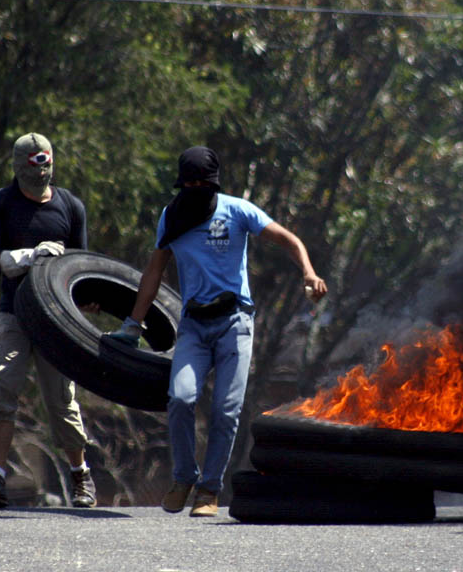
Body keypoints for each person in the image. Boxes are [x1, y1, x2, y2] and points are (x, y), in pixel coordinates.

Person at [109, 145, 327, 517]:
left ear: (212, 183)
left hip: (234, 323)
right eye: (187, 183)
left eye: (200, 182)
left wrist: (308, 271)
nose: (194, 188)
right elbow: (153, 273)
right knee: (180, 398)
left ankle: (209, 489)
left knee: (227, 410)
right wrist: (133, 323)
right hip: (193, 324)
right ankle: (184, 478)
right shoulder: (172, 217)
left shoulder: (237, 209)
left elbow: (289, 239)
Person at [0, 132, 97, 509]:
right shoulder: (0, 204)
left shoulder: (70, 206)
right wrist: (27, 257)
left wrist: (86, 302)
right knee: (2, 386)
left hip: (57, 320)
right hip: (14, 312)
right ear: (17, 169)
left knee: (61, 399)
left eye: (44, 169)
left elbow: (82, 262)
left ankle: (80, 476)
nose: (38, 180)